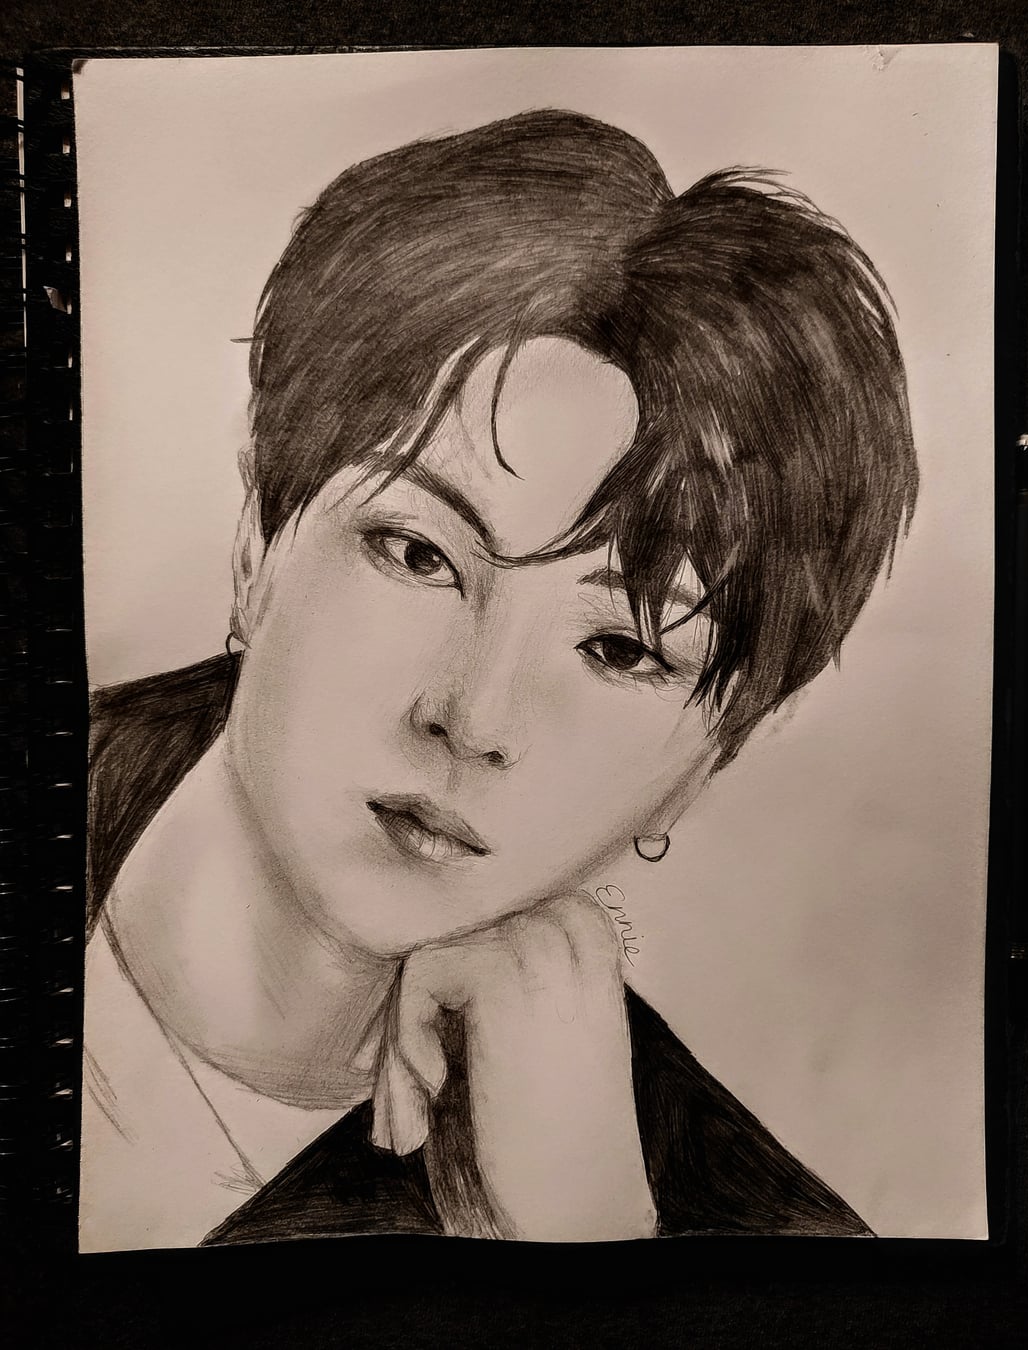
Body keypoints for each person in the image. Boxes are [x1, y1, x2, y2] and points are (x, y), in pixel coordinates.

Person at [80, 110, 917, 1252]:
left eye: (621, 650)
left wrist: (574, 1240)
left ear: (710, 759)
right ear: (258, 542)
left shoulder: (734, 1228)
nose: (471, 719)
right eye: (418, 554)